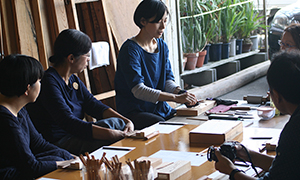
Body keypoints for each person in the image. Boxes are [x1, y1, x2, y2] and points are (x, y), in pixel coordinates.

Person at [27, 29, 134, 156]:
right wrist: (110, 134)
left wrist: (127, 121)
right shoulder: (49, 82)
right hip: (60, 141)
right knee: (108, 142)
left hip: (77, 133)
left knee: (117, 123)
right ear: (71, 58)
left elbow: (94, 105)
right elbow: (68, 122)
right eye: (87, 56)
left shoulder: (73, 79)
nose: (89, 60)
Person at [213, 50, 300, 180]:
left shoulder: (293, 132)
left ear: (276, 96)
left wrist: (232, 172)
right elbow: (285, 168)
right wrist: (248, 155)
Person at [114, 0, 198, 130]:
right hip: (135, 112)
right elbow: (138, 90)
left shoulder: (162, 46)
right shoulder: (130, 50)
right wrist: (176, 98)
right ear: (143, 21)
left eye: (165, 21)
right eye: (158, 21)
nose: (163, 26)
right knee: (163, 127)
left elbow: (167, 81)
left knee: (187, 122)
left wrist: (183, 94)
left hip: (159, 108)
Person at [0, 54, 74, 180]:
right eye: (39, 81)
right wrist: (64, 164)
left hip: (22, 168)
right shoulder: (5, 119)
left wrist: (70, 157)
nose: (41, 84)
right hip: (8, 174)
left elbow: (39, 144)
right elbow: (31, 167)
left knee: (58, 157)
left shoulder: (20, 109)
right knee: (57, 162)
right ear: (27, 89)